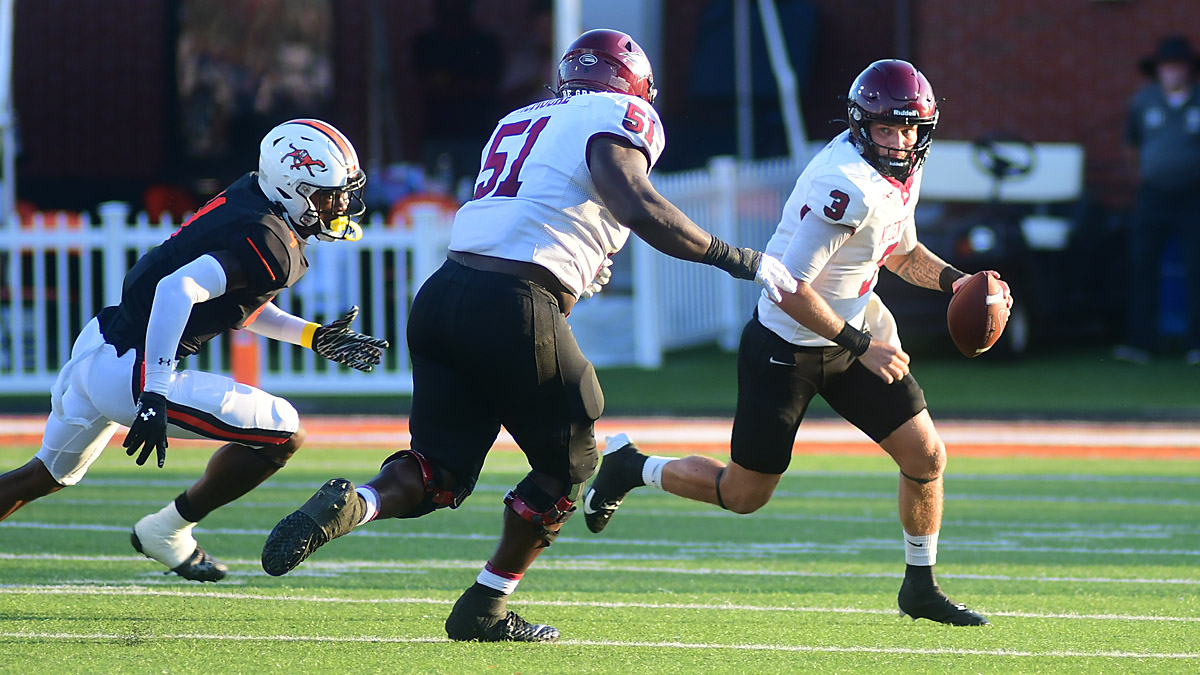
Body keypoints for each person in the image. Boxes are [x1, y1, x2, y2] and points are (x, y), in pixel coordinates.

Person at [259, 29, 796, 642]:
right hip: (515, 303)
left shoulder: (524, 115)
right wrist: (736, 258)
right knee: (571, 461)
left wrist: (583, 250)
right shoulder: (622, 113)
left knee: (437, 471)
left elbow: (536, 202)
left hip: (444, 294)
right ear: (636, 85)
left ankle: (355, 502)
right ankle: (485, 605)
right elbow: (637, 202)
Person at [582, 60, 1012, 627]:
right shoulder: (845, 184)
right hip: (787, 345)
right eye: (886, 129)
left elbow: (901, 253)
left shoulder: (902, 170)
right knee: (744, 495)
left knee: (926, 456)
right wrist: (862, 343)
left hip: (855, 334)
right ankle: (632, 467)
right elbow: (787, 288)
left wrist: (958, 281)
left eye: (909, 128)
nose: (899, 140)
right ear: (861, 127)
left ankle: (920, 587)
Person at [0, 119, 388, 582]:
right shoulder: (271, 240)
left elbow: (231, 303)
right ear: (291, 188)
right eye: (329, 196)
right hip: (133, 373)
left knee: (41, 476)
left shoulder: (254, 200)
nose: (341, 205)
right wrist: (155, 391)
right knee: (284, 433)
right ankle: (167, 530)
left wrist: (311, 335)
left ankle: (165, 532)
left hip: (100, 343)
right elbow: (177, 288)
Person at [1114, 35, 1200, 366]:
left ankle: (1195, 343)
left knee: (1196, 268)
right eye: (1168, 67)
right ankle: (1141, 343)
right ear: (1159, 71)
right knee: (1143, 265)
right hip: (1153, 195)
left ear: (1189, 70)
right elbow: (1132, 145)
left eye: (1179, 67)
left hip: (1193, 196)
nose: (1173, 73)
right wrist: (1146, 175)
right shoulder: (1144, 102)